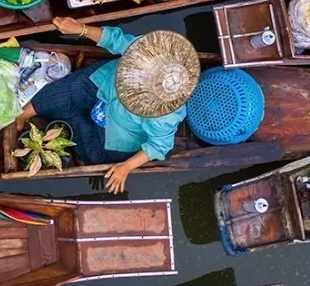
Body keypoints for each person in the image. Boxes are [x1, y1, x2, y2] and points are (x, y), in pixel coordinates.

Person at [16, 17, 200, 194]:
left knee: (94, 155)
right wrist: (80, 29)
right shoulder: (152, 52)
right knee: (65, 91)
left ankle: (65, 117)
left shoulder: (166, 114)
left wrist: (127, 166)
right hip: (101, 84)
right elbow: (117, 40)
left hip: (113, 133)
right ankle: (26, 114)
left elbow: (158, 146)